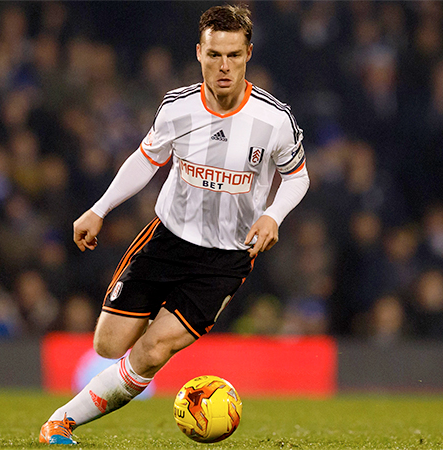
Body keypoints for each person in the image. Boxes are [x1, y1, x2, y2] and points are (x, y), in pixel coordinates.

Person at [39, 5, 309, 445]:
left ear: (249, 55)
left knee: (152, 352)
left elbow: (298, 177)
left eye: (235, 56)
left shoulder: (274, 119)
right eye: (215, 54)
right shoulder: (177, 108)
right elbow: (146, 160)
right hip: (166, 242)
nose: (224, 66)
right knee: (109, 346)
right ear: (199, 52)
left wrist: (272, 215)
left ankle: (60, 423)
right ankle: (136, 347)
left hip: (225, 259)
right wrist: (99, 209)